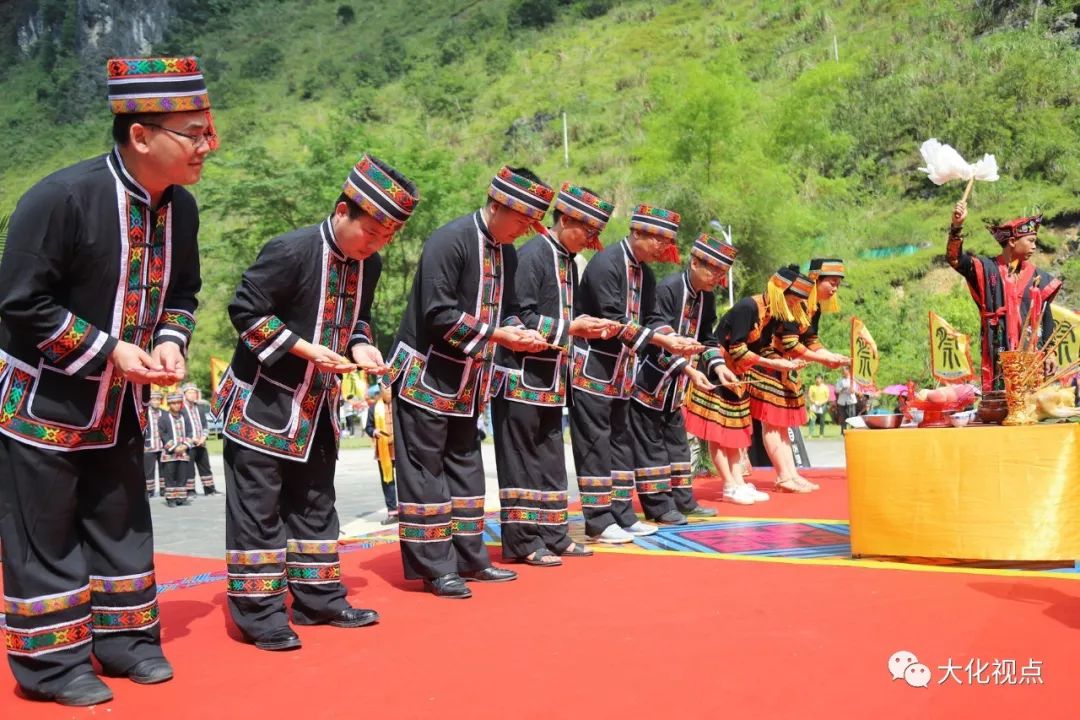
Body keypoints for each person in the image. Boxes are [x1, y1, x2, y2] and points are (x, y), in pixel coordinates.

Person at [0, 55, 211, 705]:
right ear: (141, 133)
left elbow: (182, 293)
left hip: (119, 404)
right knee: (47, 532)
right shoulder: (61, 198)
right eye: (193, 132)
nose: (209, 145)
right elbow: (20, 302)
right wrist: (109, 350)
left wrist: (171, 343)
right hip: (42, 401)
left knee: (121, 521)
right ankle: (54, 665)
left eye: (209, 129)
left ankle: (125, 641)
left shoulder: (183, 210)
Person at [213, 153, 418, 650]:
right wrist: (305, 349)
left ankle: (319, 598)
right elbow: (244, 311)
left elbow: (359, 321)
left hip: (316, 407)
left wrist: (362, 345)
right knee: (259, 511)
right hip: (261, 403)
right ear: (342, 209)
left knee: (315, 503)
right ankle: (259, 614)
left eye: (387, 237)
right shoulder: (291, 250)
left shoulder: (369, 265)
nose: (377, 245)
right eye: (371, 233)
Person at [388, 166, 552, 599]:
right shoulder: (450, 240)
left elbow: (512, 308)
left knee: (466, 469)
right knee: (425, 473)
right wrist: (499, 334)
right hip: (425, 375)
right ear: (497, 205)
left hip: (467, 379)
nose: (525, 230)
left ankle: (469, 558)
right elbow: (437, 314)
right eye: (521, 220)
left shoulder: (508, 251)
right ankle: (435, 567)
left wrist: (523, 331)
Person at [490, 183, 621, 566]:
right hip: (518, 376)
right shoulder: (533, 253)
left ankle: (554, 533)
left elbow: (564, 320)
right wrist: (571, 328)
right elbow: (516, 315)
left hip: (552, 376)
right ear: (564, 220)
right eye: (587, 231)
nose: (591, 240)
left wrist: (579, 327)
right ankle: (522, 541)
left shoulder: (566, 260)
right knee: (521, 458)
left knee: (549, 456)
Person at [569, 203, 703, 543]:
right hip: (592, 370)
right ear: (638, 232)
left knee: (619, 444)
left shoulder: (645, 272)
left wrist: (671, 336)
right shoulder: (606, 263)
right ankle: (598, 521)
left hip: (620, 374)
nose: (662, 247)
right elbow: (615, 322)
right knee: (595, 445)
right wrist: (663, 340)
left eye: (667, 240)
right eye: (658, 239)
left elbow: (652, 316)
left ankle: (622, 515)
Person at [630, 233, 742, 522]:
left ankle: (683, 500)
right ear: (694, 262)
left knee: (678, 444)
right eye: (713, 271)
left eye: (722, 274)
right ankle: (658, 507)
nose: (717, 279)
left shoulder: (705, 297)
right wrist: (689, 369)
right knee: (651, 446)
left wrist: (718, 368)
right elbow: (656, 335)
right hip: (650, 381)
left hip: (676, 386)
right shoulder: (667, 289)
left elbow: (706, 338)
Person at [684, 268, 807, 505]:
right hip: (716, 369)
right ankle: (729, 485)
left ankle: (738, 482)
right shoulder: (747, 308)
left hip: (737, 375)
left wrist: (784, 362)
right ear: (780, 292)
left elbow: (761, 349)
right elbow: (737, 349)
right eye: (792, 299)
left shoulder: (770, 314)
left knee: (733, 431)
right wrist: (773, 362)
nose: (794, 305)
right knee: (717, 433)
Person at [748, 264, 849, 492]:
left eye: (838, 284)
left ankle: (791, 474)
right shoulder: (795, 300)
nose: (835, 289)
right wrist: (822, 360)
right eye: (831, 282)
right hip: (769, 362)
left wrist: (830, 355)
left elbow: (811, 340)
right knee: (772, 423)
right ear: (815, 278)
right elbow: (789, 343)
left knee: (783, 424)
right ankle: (784, 476)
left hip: (789, 367)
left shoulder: (814, 307)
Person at [947, 200, 1061, 391]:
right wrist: (957, 226)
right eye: (1031, 240)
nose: (1035, 246)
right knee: (1000, 402)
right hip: (997, 348)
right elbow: (955, 259)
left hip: (1030, 353)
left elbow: (1045, 315)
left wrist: (1050, 352)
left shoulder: (1037, 276)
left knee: (1030, 405)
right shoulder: (986, 269)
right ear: (1012, 241)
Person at [364, 382, 398, 525]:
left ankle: (408, 510)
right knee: (387, 481)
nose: (388, 391)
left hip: (400, 448)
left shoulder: (399, 405)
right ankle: (393, 513)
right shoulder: (374, 408)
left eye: (389, 388)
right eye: (385, 388)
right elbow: (368, 427)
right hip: (383, 449)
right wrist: (374, 432)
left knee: (406, 480)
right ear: (381, 390)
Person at [159, 391, 195, 507]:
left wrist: (185, 445)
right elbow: (163, 435)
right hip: (170, 454)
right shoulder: (163, 418)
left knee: (182, 475)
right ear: (169, 404)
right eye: (173, 403)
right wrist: (175, 448)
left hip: (184, 452)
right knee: (170, 476)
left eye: (178, 403)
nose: (176, 405)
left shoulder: (184, 417)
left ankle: (181, 497)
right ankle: (171, 499)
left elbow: (190, 431)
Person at [182, 382, 217, 495]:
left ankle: (209, 489)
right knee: (189, 468)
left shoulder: (200, 408)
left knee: (205, 466)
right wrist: (192, 439)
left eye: (194, 392)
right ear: (185, 394)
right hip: (189, 444)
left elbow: (205, 425)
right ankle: (191, 490)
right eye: (190, 392)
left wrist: (203, 437)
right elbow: (180, 428)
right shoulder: (181, 409)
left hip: (201, 443)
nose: (193, 395)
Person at [144, 390, 165, 497]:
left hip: (162, 447)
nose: (156, 402)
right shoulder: (145, 414)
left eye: (158, 400)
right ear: (150, 400)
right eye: (154, 399)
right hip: (149, 446)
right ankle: (150, 491)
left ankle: (163, 490)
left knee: (164, 470)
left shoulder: (164, 413)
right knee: (149, 471)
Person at [836, 367, 858, 433]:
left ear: (848, 370)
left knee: (852, 416)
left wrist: (852, 390)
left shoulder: (853, 379)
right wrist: (842, 389)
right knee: (843, 416)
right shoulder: (839, 380)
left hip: (850, 400)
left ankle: (852, 430)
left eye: (844, 370)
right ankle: (843, 431)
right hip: (842, 401)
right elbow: (837, 390)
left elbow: (855, 390)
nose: (842, 371)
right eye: (842, 370)